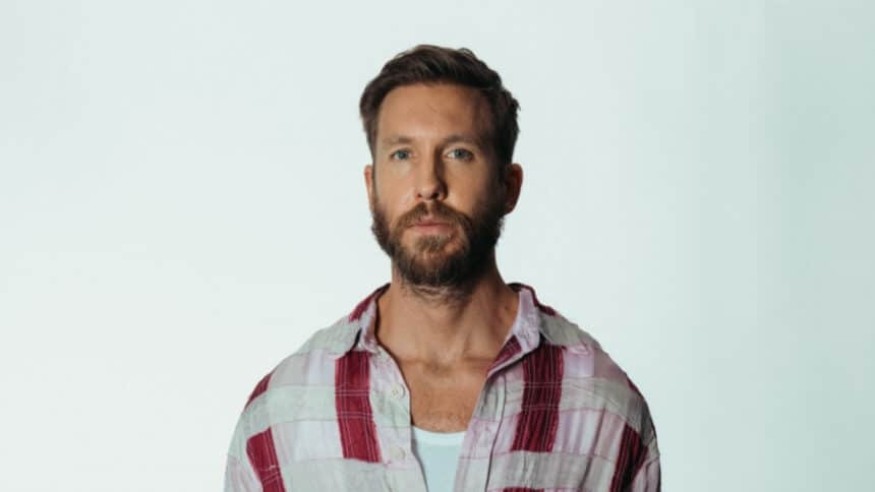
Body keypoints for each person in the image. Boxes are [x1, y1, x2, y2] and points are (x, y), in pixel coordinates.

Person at [224, 45, 660, 492]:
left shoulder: (601, 409)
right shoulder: (283, 417)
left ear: (508, 186)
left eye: (458, 153)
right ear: (371, 187)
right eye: (402, 155)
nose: (428, 184)